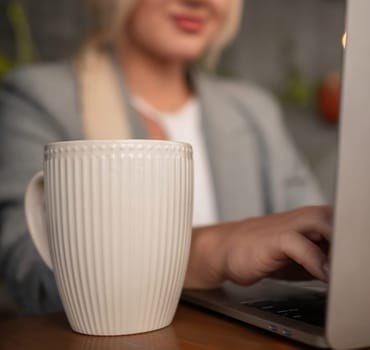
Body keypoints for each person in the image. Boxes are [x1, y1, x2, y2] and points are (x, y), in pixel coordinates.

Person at [0, 0, 331, 315]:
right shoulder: (37, 99)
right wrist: (208, 250)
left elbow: (319, 244)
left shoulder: (255, 112)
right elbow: (34, 278)